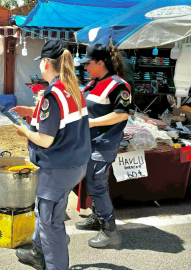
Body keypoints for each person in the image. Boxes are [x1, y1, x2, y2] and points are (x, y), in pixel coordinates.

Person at [12, 40, 91, 270]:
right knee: (45, 211)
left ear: (46, 62)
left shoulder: (52, 95)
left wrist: (24, 130)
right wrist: (30, 112)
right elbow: (63, 121)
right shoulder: (73, 88)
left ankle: (55, 263)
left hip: (57, 168)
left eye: (41, 62)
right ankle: (38, 251)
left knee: (50, 222)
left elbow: (46, 139)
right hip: (74, 165)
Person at [75, 44, 131, 248]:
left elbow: (122, 113)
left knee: (97, 186)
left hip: (103, 144)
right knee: (92, 183)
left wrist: (90, 123)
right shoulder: (94, 83)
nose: (85, 67)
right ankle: (98, 217)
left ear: (100, 63)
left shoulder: (118, 85)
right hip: (89, 142)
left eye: (88, 63)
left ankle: (110, 232)